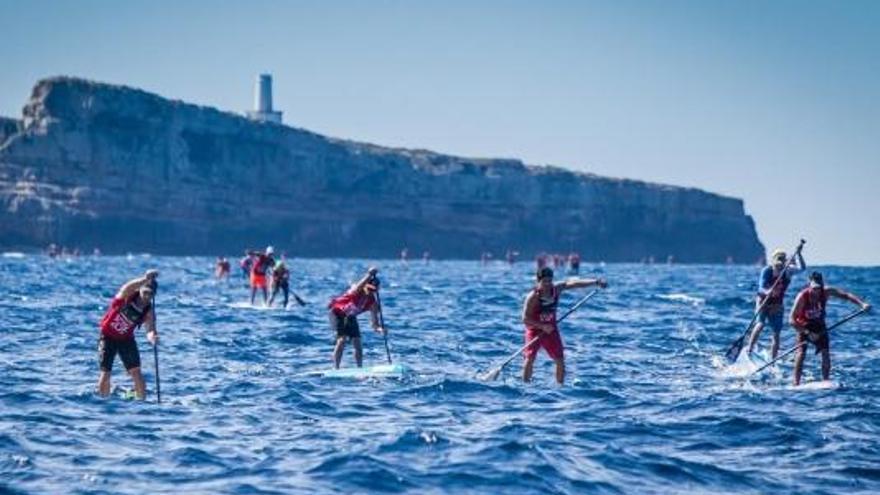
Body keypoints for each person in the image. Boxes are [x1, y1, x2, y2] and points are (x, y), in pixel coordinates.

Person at [522, 266, 607, 384]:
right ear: (538, 281)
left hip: (551, 330)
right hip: (535, 329)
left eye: (549, 281)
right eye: (544, 281)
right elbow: (525, 319)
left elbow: (574, 283)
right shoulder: (532, 297)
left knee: (560, 360)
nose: (547, 284)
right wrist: (542, 326)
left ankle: (560, 387)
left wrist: (595, 282)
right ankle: (525, 386)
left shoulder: (556, 289)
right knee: (530, 358)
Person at [789, 271, 870, 386]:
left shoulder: (826, 291)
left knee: (825, 353)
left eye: (818, 288)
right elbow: (791, 320)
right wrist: (807, 332)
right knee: (801, 353)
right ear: (809, 285)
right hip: (803, 325)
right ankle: (795, 383)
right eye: (814, 288)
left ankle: (825, 381)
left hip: (819, 325)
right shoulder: (802, 297)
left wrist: (862, 304)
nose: (816, 291)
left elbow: (846, 295)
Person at [96, 270, 160, 400]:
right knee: (106, 372)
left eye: (150, 294)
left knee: (136, 372)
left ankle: (142, 403)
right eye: (145, 292)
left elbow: (149, 329)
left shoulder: (148, 311)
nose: (146, 297)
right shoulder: (126, 297)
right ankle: (102, 402)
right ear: (140, 289)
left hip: (126, 339)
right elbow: (127, 286)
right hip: (107, 336)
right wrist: (144, 279)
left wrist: (152, 337)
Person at [747, 247, 806, 359]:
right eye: (777, 263)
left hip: (777, 305)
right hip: (763, 302)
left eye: (781, 263)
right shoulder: (767, 270)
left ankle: (772, 360)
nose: (779, 266)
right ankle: (749, 350)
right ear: (773, 261)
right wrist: (768, 291)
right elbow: (761, 288)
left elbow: (802, 268)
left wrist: (799, 254)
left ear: (784, 262)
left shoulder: (788, 271)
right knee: (760, 324)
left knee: (776, 334)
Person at [328, 267, 385, 368]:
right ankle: (336, 368)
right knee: (342, 340)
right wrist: (369, 274)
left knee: (358, 343)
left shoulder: (373, 303)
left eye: (373, 290)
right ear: (366, 286)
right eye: (369, 289)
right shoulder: (356, 290)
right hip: (337, 313)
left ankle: (360, 368)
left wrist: (381, 329)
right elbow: (360, 284)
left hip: (350, 316)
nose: (370, 292)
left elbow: (375, 325)